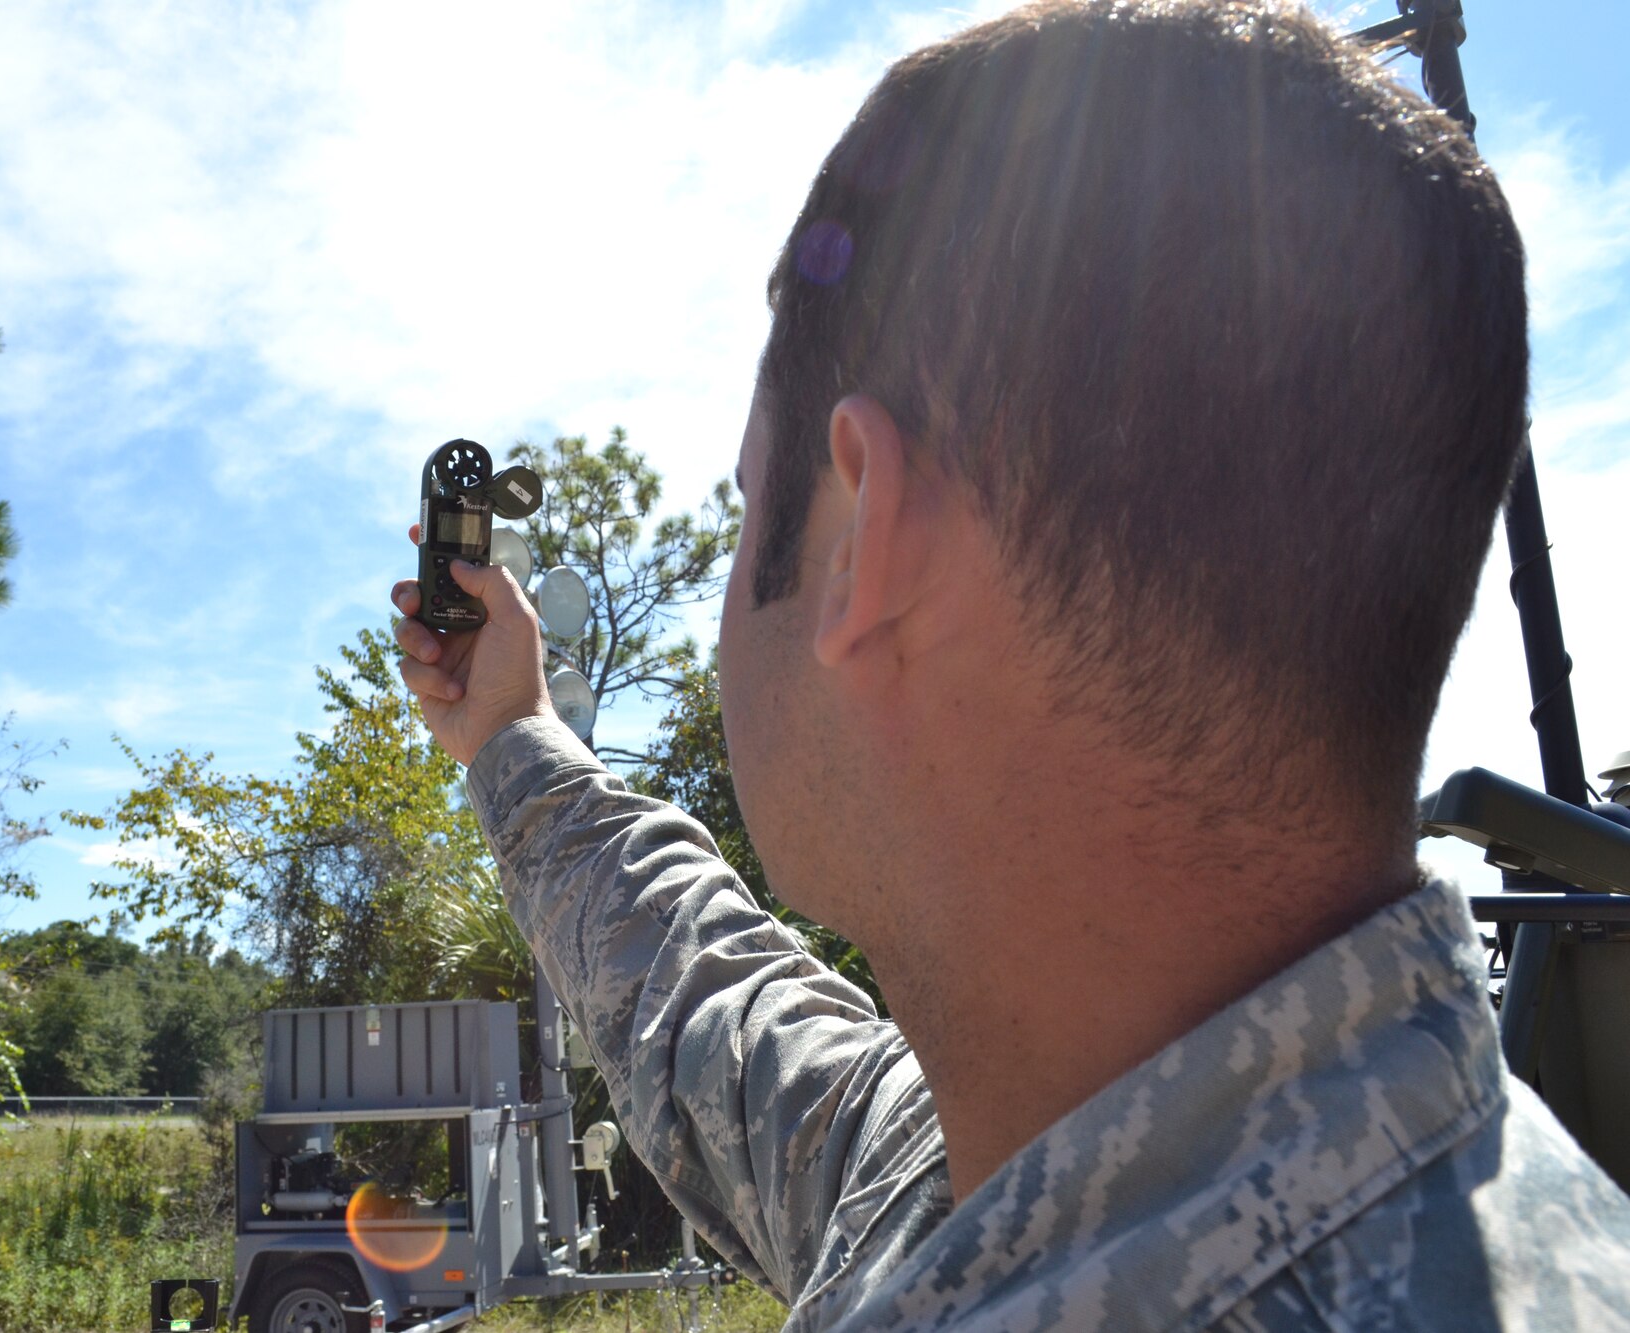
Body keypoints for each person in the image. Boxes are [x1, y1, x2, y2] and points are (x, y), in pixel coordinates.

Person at [392, 1, 1630, 1327]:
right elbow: (733, 1037)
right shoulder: (1078, 1151)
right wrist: (514, 731)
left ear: (868, 534)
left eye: (759, 499)